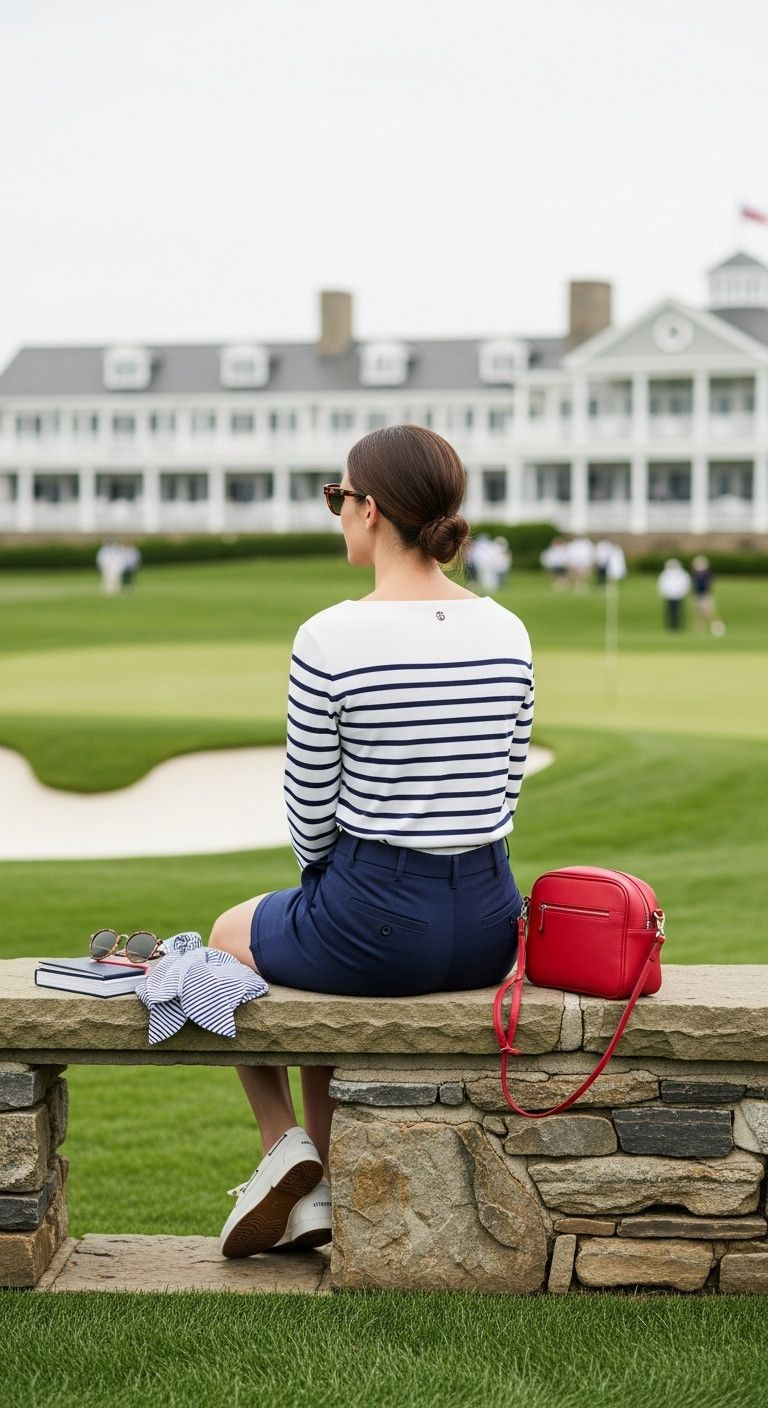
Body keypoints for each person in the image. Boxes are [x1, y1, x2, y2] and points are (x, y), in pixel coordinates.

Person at [208, 424, 534, 1259]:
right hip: (491, 925)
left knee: (223, 939)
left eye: (336, 496)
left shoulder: (330, 636)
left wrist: (331, 885)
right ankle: (315, 1203)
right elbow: (505, 789)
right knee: (324, 963)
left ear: (371, 509)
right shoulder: (509, 630)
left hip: (381, 919)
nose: (336, 511)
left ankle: (282, 1144)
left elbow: (310, 810)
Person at [691, 554, 725, 636]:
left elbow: (710, 584)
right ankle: (699, 630)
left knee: (709, 612)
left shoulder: (708, 574)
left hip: (705, 595)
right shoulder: (694, 574)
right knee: (698, 613)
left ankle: (716, 628)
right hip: (697, 595)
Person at [657, 557, 691, 630]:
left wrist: (683, 592)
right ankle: (670, 627)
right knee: (670, 612)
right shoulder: (665, 574)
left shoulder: (682, 574)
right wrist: (663, 593)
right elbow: (662, 584)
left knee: (679, 612)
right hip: (669, 596)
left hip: (679, 595)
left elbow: (686, 584)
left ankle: (679, 627)